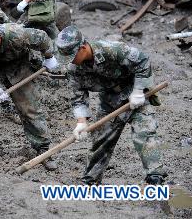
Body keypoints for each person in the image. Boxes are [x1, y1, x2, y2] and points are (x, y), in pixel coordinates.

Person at [56, 26, 166, 185]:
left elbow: (143, 60)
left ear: (82, 48)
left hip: (135, 93)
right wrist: (81, 122)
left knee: (145, 132)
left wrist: (138, 90)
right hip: (109, 100)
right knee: (101, 140)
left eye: (72, 56)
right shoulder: (73, 70)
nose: (71, 61)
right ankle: (90, 180)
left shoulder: (112, 50)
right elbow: (78, 96)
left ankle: (155, 177)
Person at [0, 17, 60, 170]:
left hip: (18, 65)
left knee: (30, 108)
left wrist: (49, 57)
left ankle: (43, 150)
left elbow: (43, 38)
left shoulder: (18, 34)